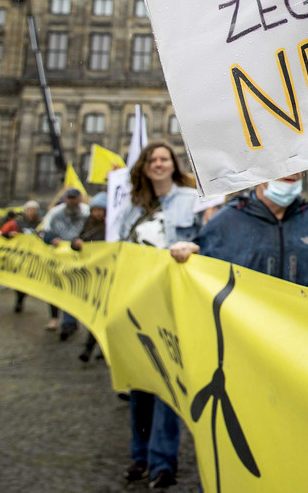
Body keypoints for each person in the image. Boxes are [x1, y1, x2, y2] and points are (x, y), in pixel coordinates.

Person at [117, 141, 201, 490]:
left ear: (173, 164)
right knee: (140, 386)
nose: (158, 164)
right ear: (144, 166)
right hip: (138, 305)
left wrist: (195, 248)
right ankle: (140, 457)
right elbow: (121, 251)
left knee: (167, 386)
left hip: (173, 304)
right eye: (152, 159)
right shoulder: (132, 207)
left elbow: (204, 242)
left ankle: (162, 462)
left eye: (164, 158)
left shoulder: (191, 198)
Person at [168, 173, 308, 299]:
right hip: (246, 343)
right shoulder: (226, 221)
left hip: (306, 341)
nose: (291, 171)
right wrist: (191, 257)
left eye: (297, 162)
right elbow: (204, 280)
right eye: (280, 162)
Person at [42, 188, 89, 340]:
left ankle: (69, 322)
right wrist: (52, 239)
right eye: (69, 198)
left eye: (75, 198)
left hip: (80, 259)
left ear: (80, 199)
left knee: (72, 289)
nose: (72, 201)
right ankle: (58, 319)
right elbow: (44, 231)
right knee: (56, 289)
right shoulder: (55, 213)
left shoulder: (87, 213)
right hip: (59, 258)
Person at [75, 192, 108, 363]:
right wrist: (76, 244)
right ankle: (91, 348)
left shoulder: (111, 226)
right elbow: (77, 239)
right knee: (94, 314)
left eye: (100, 210)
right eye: (94, 210)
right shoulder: (87, 224)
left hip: (108, 275)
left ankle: (96, 348)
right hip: (92, 276)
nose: (97, 213)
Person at [0, 201, 44, 314]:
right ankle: (20, 299)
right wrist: (9, 235)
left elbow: (48, 234)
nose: (31, 212)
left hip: (36, 257)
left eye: (33, 210)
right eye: (29, 210)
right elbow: (3, 232)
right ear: (25, 211)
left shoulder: (41, 223)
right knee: (20, 280)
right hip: (20, 257)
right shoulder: (16, 222)